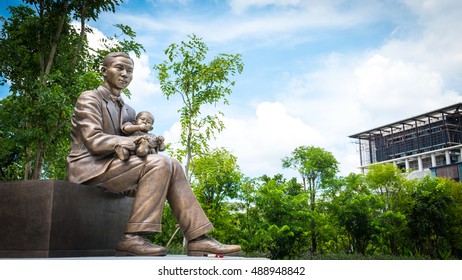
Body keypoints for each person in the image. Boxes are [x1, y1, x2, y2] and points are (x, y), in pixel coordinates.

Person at [66, 52, 241, 257]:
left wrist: (151, 143)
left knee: (172, 163)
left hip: (116, 167)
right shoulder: (89, 98)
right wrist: (135, 141)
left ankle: (198, 238)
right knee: (159, 164)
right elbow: (94, 140)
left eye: (129, 70)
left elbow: (137, 145)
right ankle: (132, 237)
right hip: (89, 168)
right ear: (104, 71)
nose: (125, 74)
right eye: (119, 68)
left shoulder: (130, 112)